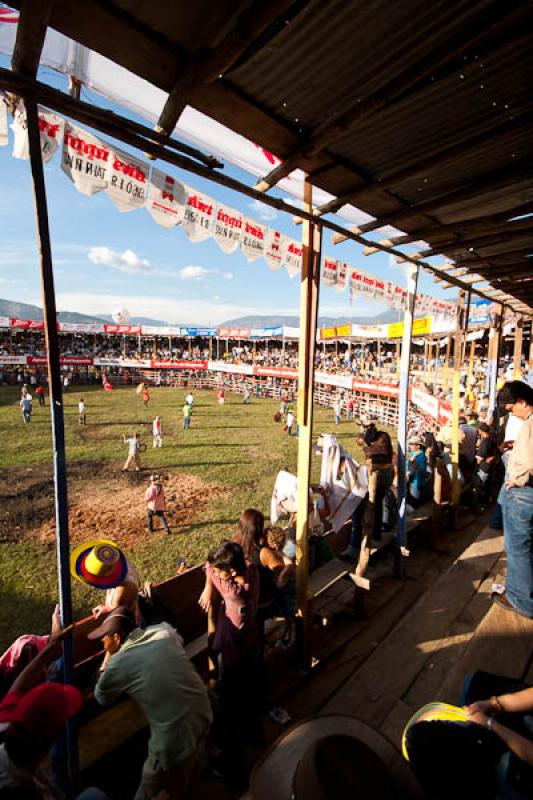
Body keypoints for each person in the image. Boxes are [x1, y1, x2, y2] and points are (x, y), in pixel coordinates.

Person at [90, 607, 212, 800]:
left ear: (117, 639)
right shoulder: (163, 630)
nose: (101, 642)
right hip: (203, 714)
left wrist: (108, 658)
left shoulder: (119, 663)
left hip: (174, 739)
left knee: (152, 788)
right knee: (190, 774)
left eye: (104, 638)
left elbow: (102, 696)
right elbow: (177, 644)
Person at [198, 541, 260, 787]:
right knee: (245, 698)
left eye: (223, 571)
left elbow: (208, 568)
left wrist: (208, 586)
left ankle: (233, 767)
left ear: (231, 572)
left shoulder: (232, 590)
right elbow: (214, 567)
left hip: (234, 654)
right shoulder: (251, 570)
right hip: (250, 643)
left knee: (231, 707)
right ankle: (249, 738)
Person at [492, 381, 533, 618]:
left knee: (517, 548)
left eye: (511, 409)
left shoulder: (528, 424)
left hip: (524, 491)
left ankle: (521, 601)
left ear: (522, 402)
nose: (512, 414)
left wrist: (515, 479)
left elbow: (527, 463)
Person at [356, 420, 395, 540]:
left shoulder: (368, 443)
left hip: (377, 476)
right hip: (388, 474)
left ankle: (374, 533)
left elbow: (362, 442)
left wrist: (364, 441)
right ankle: (380, 528)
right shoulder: (384, 436)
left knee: (373, 504)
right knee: (380, 501)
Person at [407, 440, 428, 507]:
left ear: (418, 446)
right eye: (410, 444)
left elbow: (422, 470)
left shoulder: (422, 456)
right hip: (412, 479)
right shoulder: (412, 453)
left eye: (412, 444)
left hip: (417, 481)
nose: (410, 446)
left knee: (415, 501)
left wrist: (413, 464)